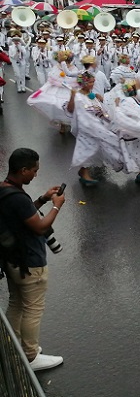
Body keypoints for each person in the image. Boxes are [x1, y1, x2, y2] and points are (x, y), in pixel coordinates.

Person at [0, 148, 65, 371]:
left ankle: (9, 345)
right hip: (30, 263)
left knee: (17, 304)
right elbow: (39, 226)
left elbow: (24, 216)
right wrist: (57, 205)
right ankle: (30, 356)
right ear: (23, 169)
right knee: (32, 310)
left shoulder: (5, 190)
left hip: (13, 261)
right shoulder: (17, 197)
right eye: (34, 171)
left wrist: (43, 199)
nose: (36, 175)